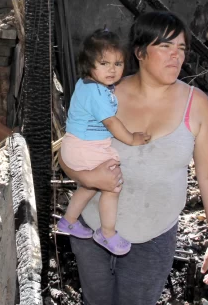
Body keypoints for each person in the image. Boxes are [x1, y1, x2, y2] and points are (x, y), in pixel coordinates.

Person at [59, 11, 208, 305]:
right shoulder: (104, 94)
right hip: (94, 230)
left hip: (153, 236)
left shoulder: (196, 105)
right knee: (95, 304)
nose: (176, 56)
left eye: (181, 48)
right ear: (139, 52)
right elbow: (69, 151)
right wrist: (86, 178)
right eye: (165, 46)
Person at [57, 29, 151, 256]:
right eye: (104, 63)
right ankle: (107, 232)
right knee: (112, 184)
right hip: (87, 147)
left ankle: (68, 221)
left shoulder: (86, 85)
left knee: (89, 186)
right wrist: (131, 138)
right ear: (88, 64)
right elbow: (111, 123)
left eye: (118, 64)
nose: (112, 69)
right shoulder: (97, 93)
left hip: (75, 145)